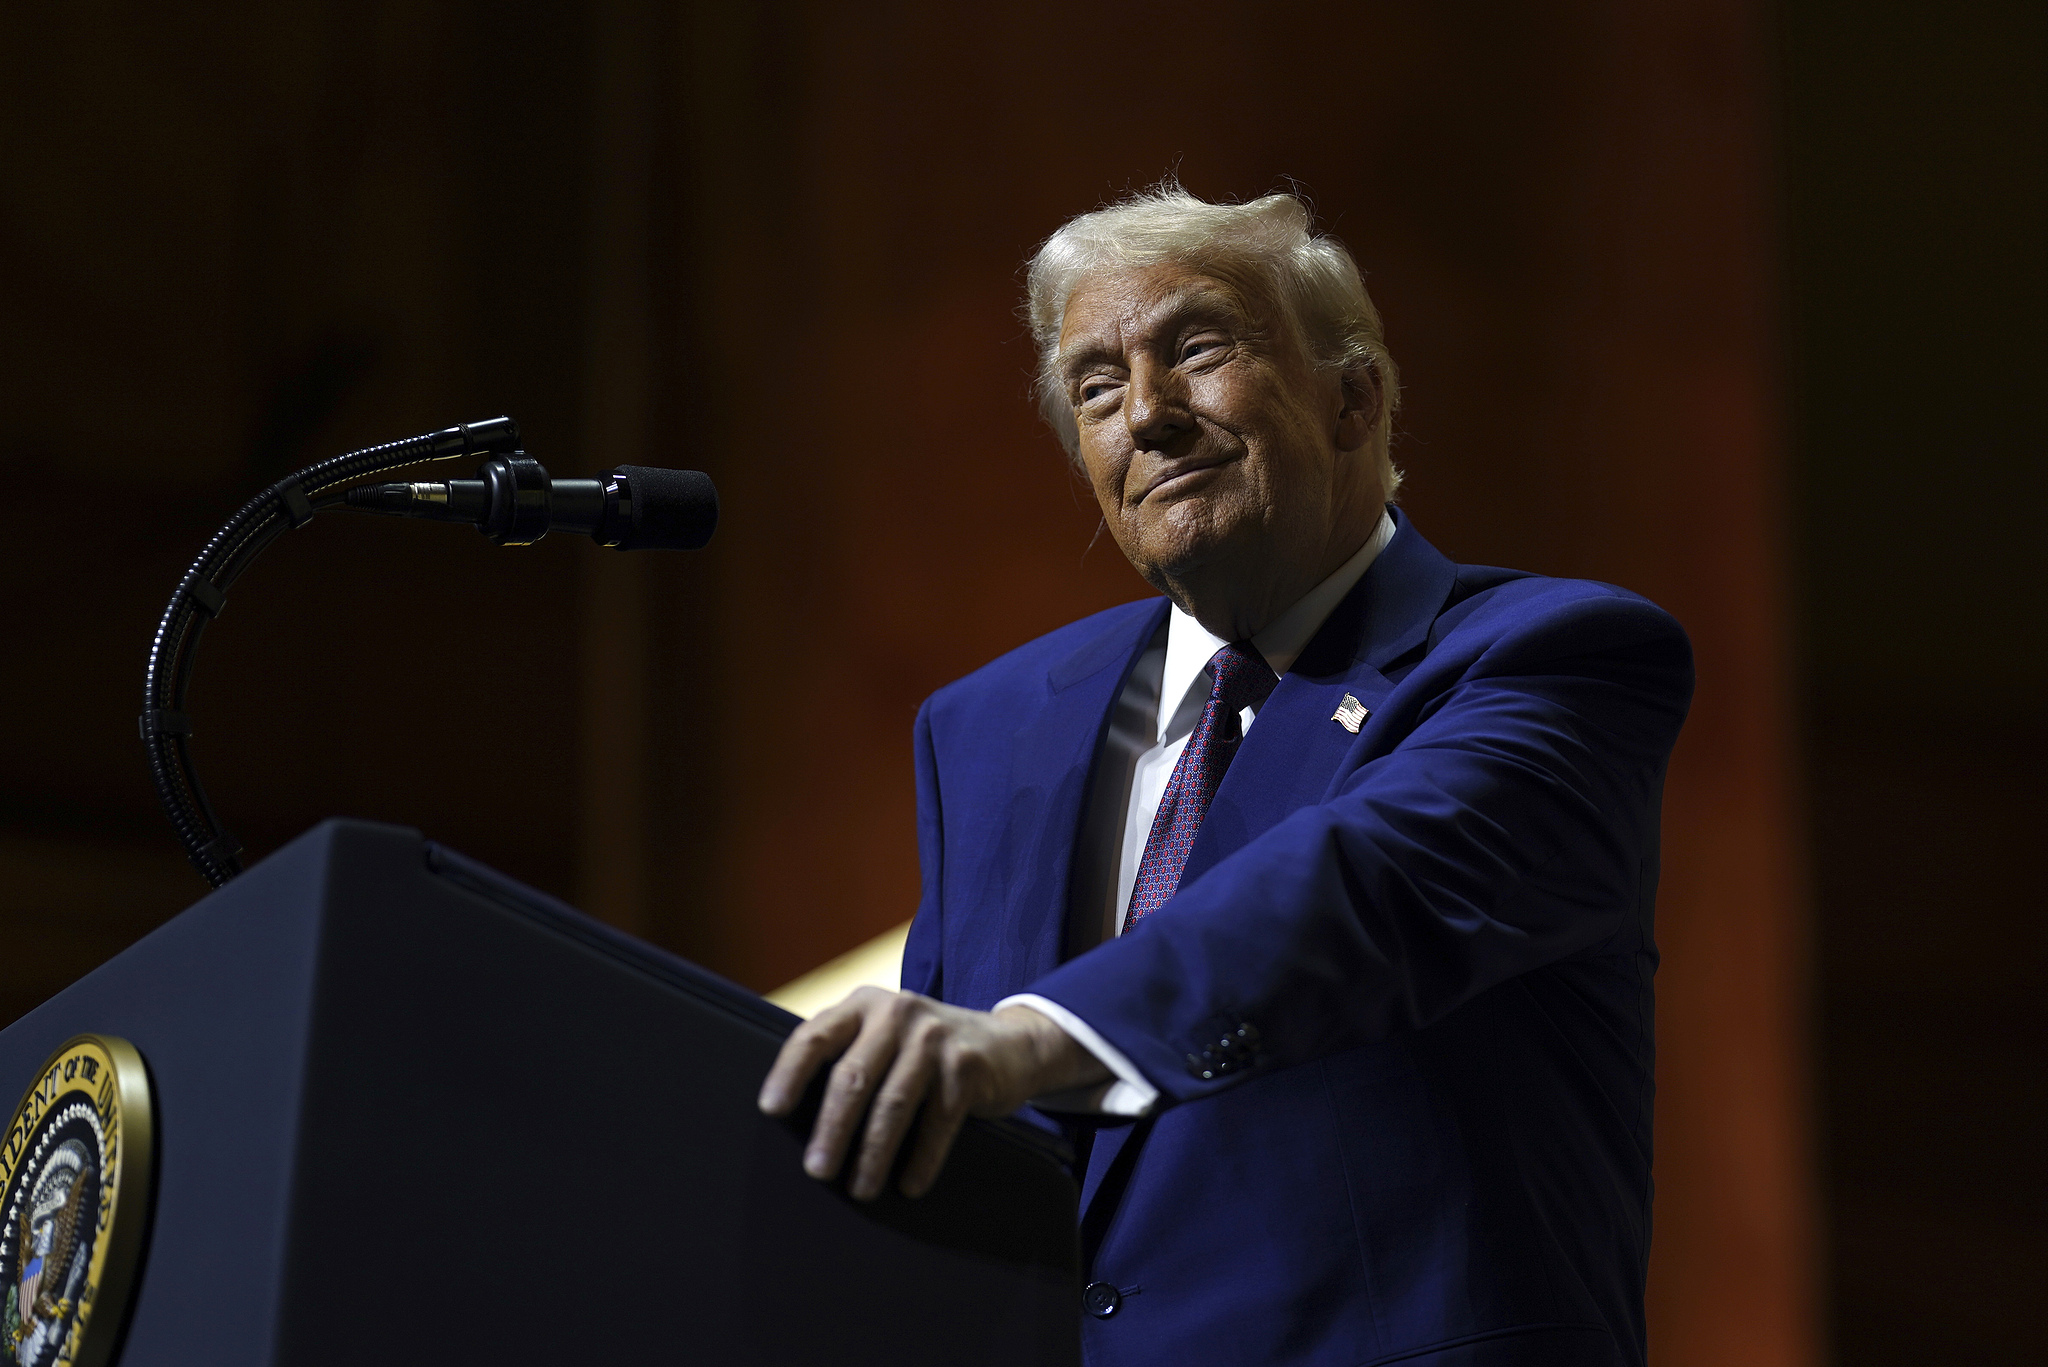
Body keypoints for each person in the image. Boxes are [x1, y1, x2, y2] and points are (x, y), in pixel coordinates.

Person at [758, 182, 1693, 1367]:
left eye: (1195, 349)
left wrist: (1035, 1035)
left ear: (1352, 397)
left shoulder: (1548, 657)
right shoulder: (985, 725)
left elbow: (1362, 889)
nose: (1144, 414)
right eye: (1095, 386)